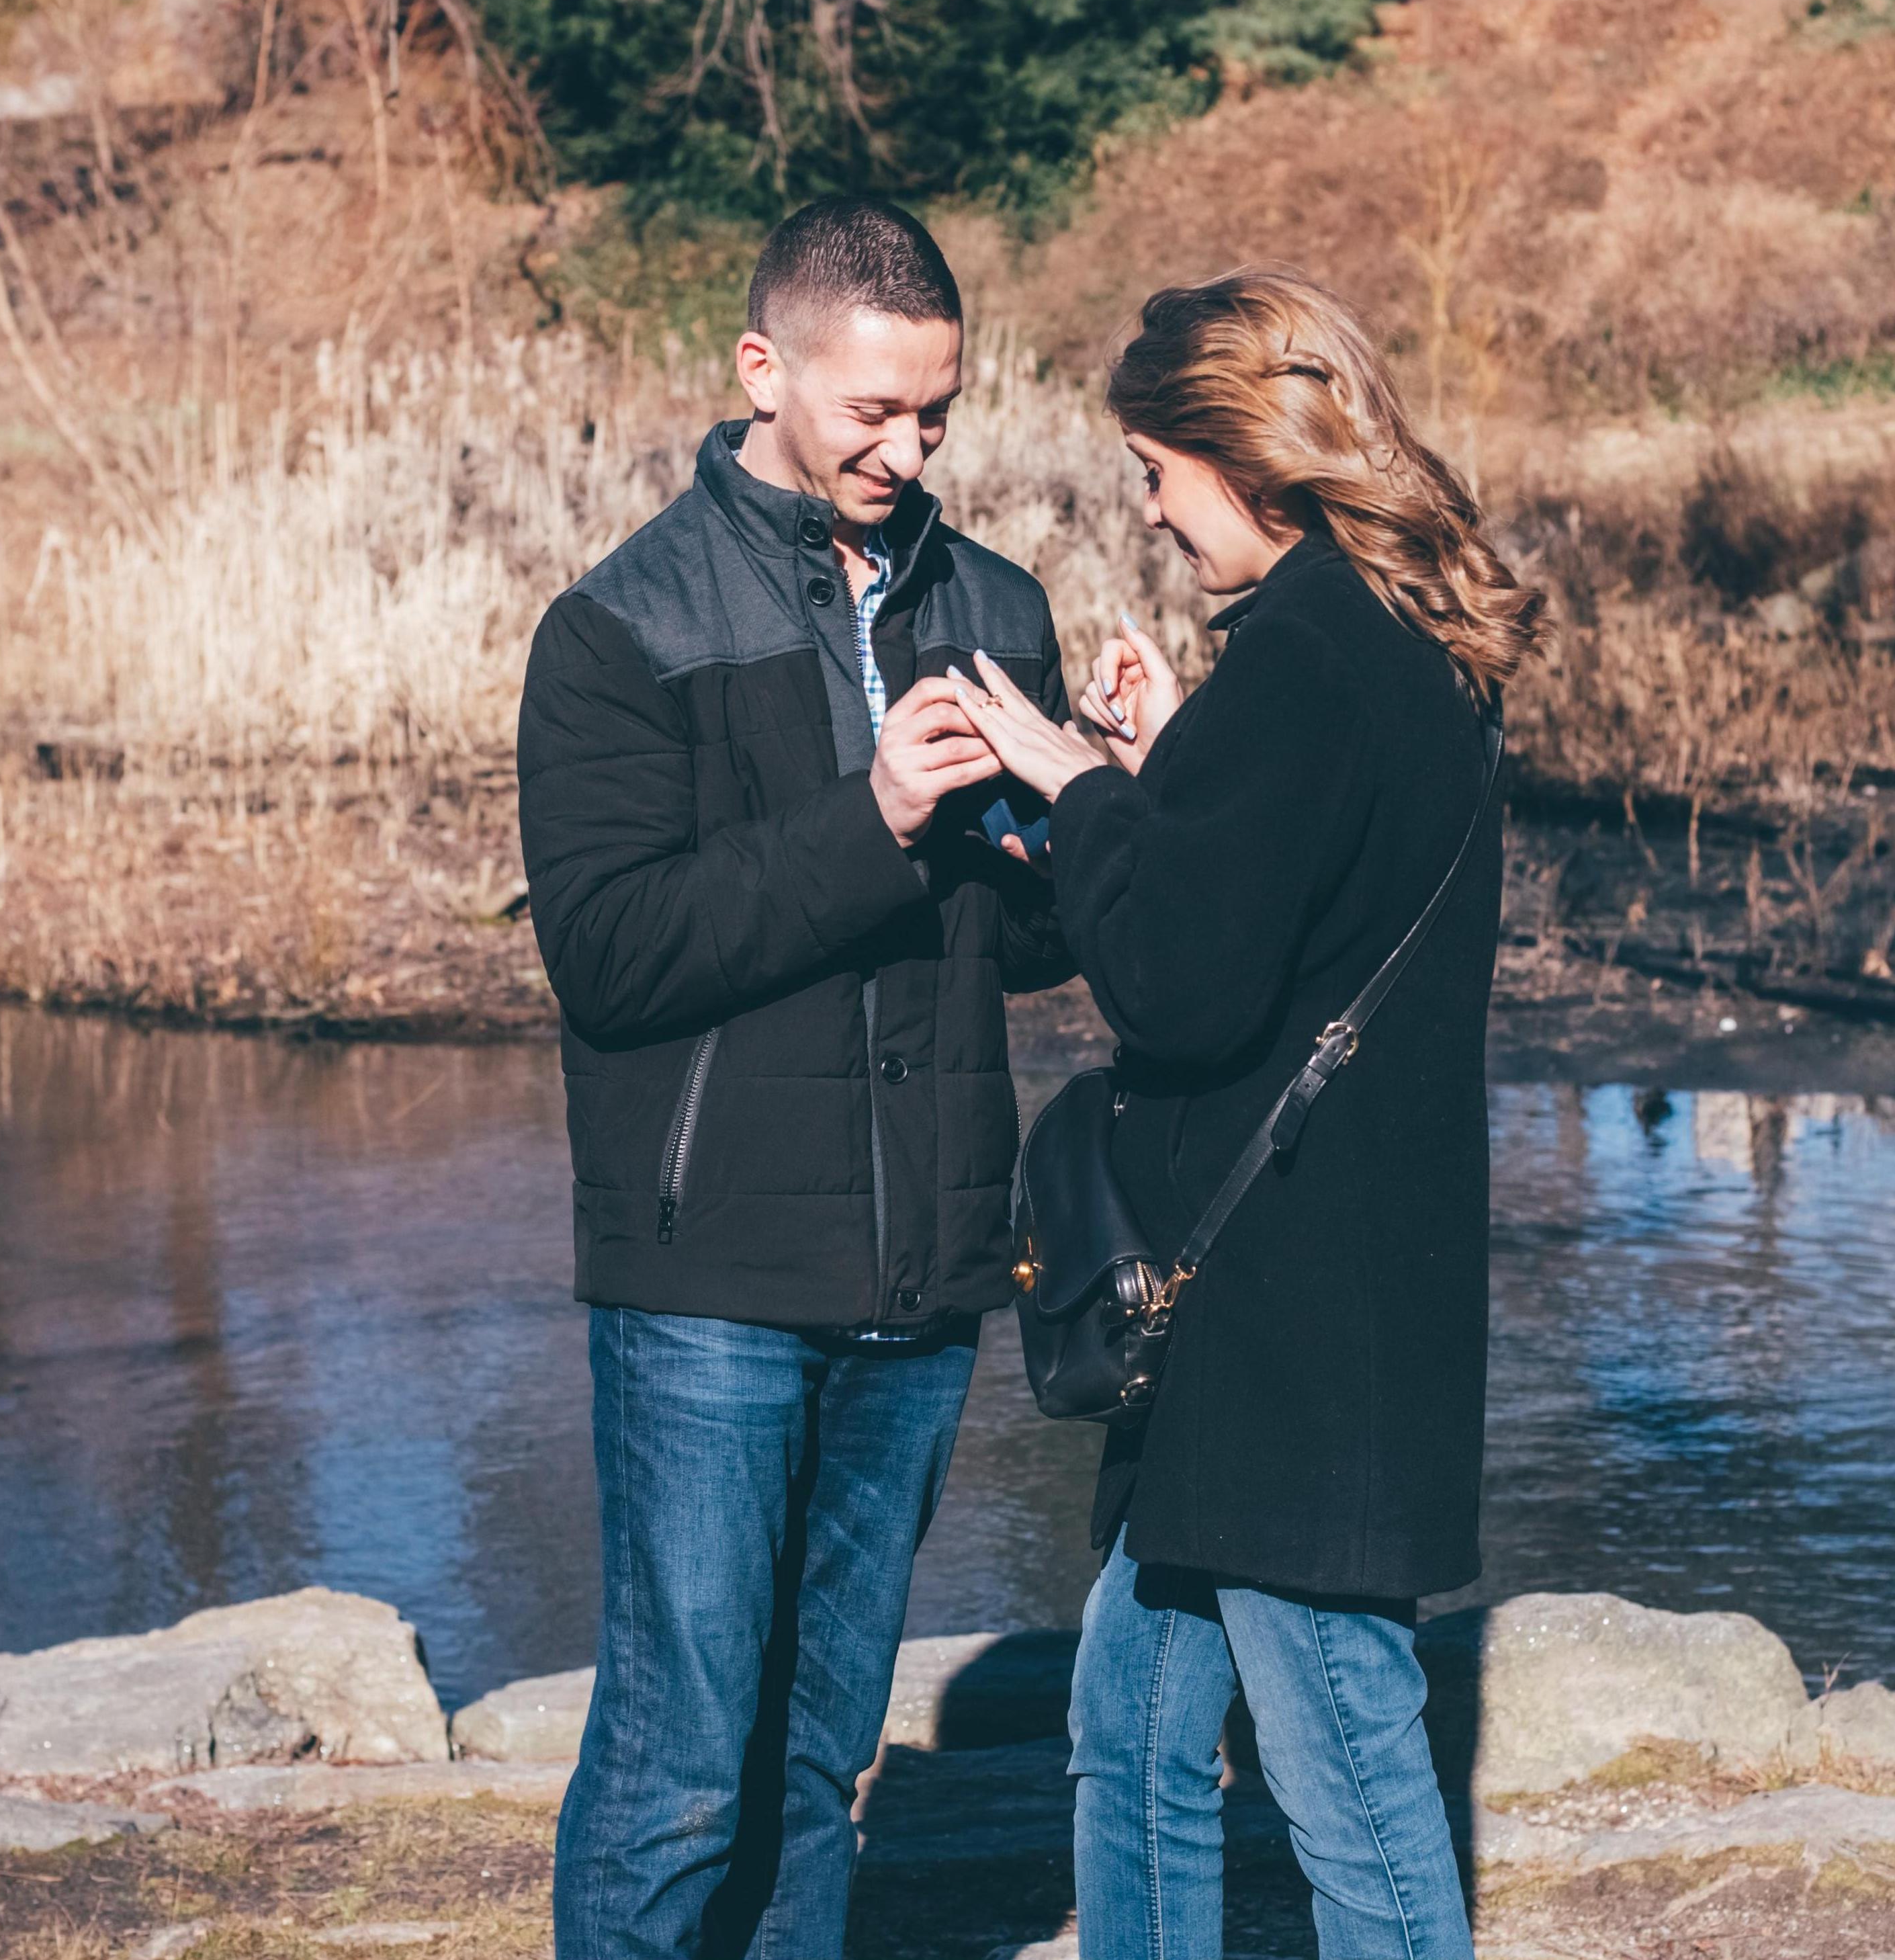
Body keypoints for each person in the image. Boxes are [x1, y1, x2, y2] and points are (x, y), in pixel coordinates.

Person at [951, 268, 1547, 1960]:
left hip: (1290, 1325)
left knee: (1346, 1777)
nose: (1147, 505)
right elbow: (1282, 906)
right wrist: (1160, 774)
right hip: (1282, 1305)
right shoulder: (1378, 639)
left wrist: (1073, 792)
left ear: (1240, 456)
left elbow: (1184, 986)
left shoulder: (1308, 657)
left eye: (1154, 469)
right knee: (1131, 1731)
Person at [517, 198, 1074, 1959]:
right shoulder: (615, 632)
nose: (905, 453)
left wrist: (1100, 804)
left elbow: (1033, 951)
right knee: (681, 1765)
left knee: (821, 1758)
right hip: (710, 1285)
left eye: (937, 416)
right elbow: (613, 958)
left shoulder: (995, 605)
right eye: (872, 414)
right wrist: (875, 817)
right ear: (763, 369)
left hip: (924, 1278)